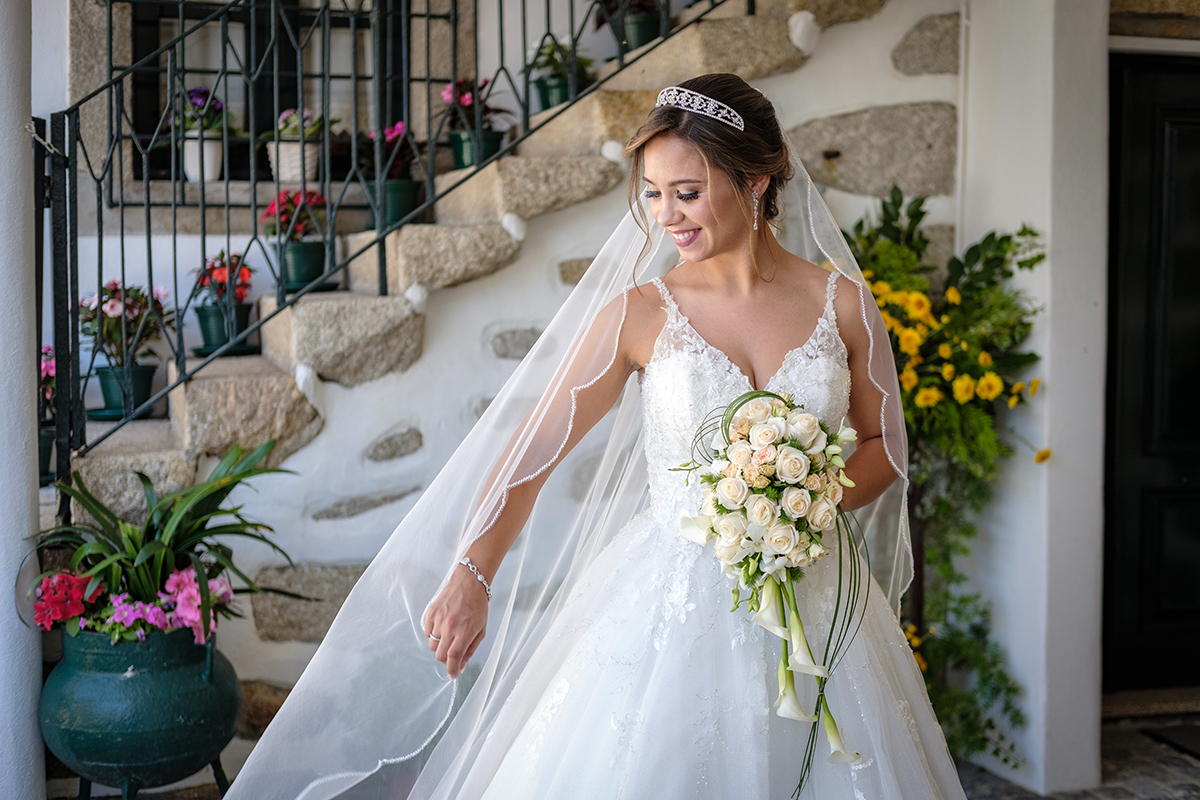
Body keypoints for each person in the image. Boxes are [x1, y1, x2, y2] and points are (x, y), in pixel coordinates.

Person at [225, 73, 968, 800]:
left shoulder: (840, 302)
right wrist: (472, 573)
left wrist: (806, 497)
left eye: (687, 192)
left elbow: (881, 446)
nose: (667, 216)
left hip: (820, 593)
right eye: (652, 194)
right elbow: (533, 447)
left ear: (758, 181)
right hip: (670, 609)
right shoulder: (639, 313)